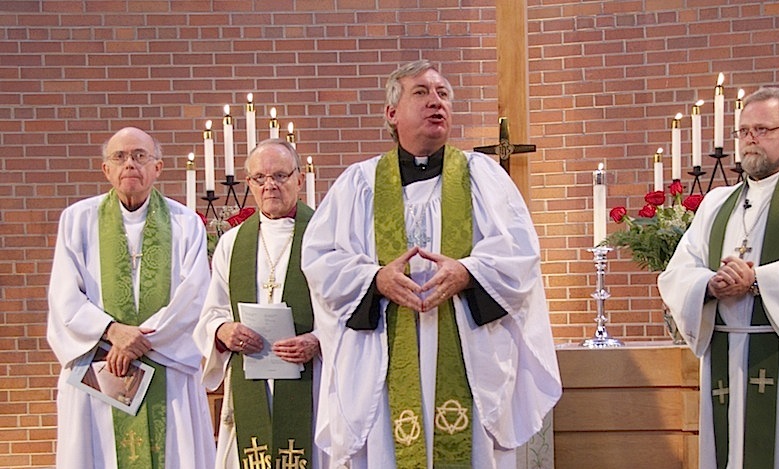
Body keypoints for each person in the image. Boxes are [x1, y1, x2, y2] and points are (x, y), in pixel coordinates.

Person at [302, 59, 562, 469]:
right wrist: (375, 279)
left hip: (466, 353)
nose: (435, 102)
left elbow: (520, 254)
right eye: (421, 93)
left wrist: (468, 272)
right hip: (385, 359)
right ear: (392, 113)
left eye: (443, 94)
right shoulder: (359, 183)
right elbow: (320, 262)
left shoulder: (481, 176)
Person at [658, 87, 779, 469]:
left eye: (763, 130)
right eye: (744, 131)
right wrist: (708, 284)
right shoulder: (718, 203)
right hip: (728, 359)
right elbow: (678, 272)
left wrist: (756, 280)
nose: (751, 140)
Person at [46, 127, 215, 468]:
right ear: (105, 169)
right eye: (119, 157)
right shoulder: (78, 220)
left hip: (165, 365)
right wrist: (113, 332)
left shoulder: (186, 223)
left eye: (140, 156)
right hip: (99, 367)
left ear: (158, 167)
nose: (130, 165)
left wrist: (137, 340)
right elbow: (64, 296)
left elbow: (195, 295)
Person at [193, 138, 326, 469]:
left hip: (312, 380)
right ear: (249, 183)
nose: (270, 186)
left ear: (300, 178)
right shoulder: (232, 242)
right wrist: (224, 331)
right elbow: (212, 311)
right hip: (251, 377)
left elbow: (346, 308)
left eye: (280, 176)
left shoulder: (325, 236)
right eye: (260, 178)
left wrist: (317, 339)